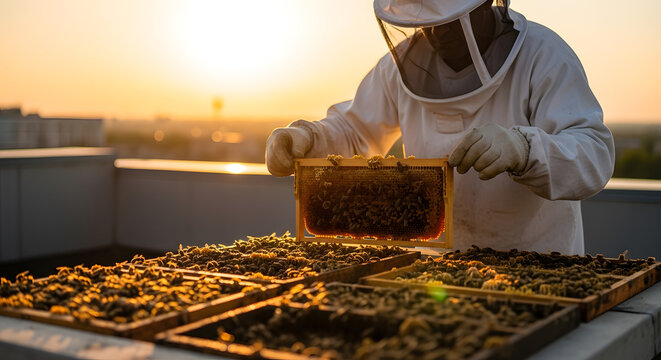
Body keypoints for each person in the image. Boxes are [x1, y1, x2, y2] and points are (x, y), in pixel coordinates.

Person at [265, 0, 615, 255]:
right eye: (428, 19)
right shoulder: (399, 66)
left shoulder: (543, 54)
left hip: (538, 266)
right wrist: (309, 139)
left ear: (486, 4)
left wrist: (525, 148)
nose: (437, 32)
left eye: (451, 19)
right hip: (433, 273)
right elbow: (356, 132)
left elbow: (593, 154)